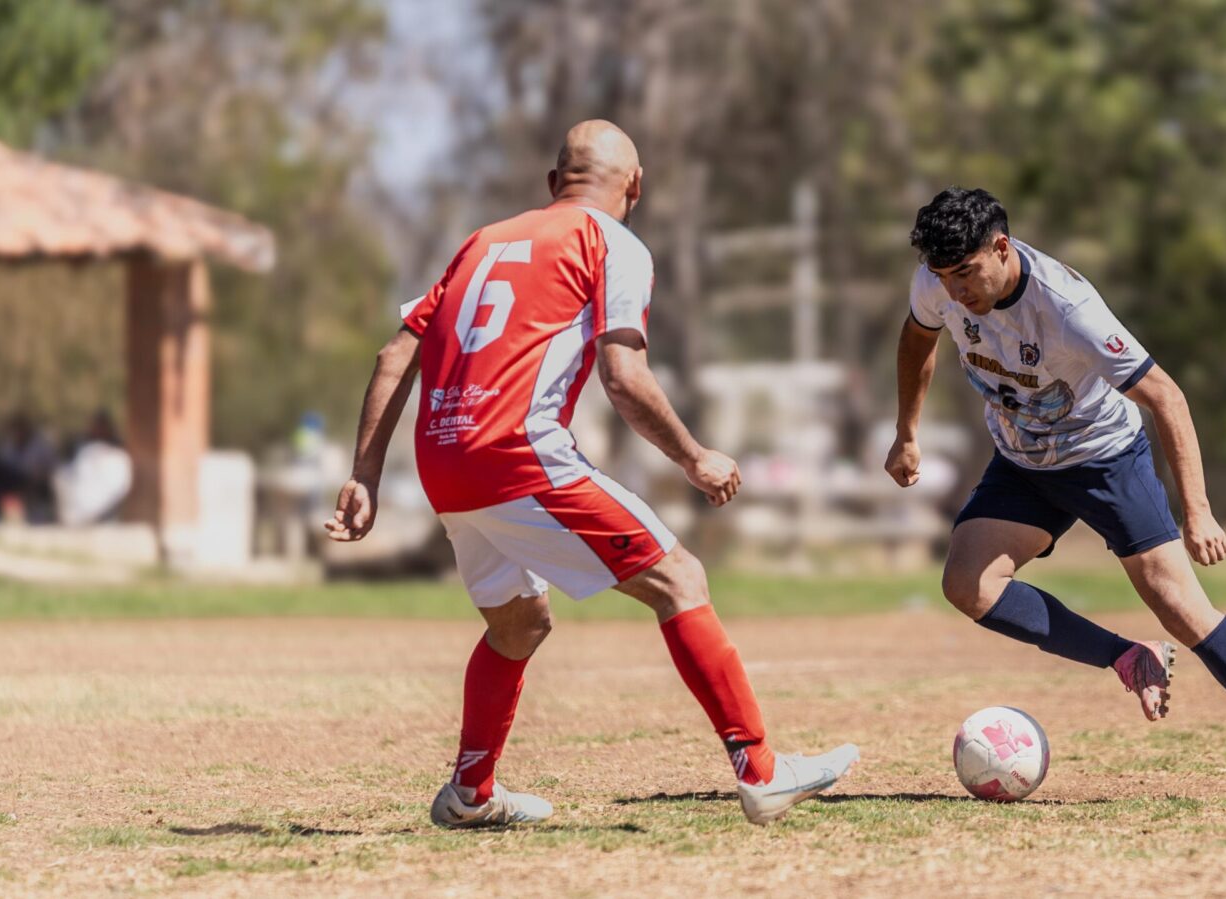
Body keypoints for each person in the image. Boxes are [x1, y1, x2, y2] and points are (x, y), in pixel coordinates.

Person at [326, 120, 857, 828]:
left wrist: (364, 470)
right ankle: (761, 770)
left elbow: (397, 354)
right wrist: (696, 455)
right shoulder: (613, 243)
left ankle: (470, 794)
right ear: (634, 187)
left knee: (518, 624)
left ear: (553, 184)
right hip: (517, 453)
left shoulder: (480, 242)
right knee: (680, 579)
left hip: (443, 462)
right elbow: (623, 375)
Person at [885, 187, 1226, 803]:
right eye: (943, 277)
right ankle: (1126, 657)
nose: (956, 292)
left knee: (1180, 607)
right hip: (1023, 460)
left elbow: (1167, 398)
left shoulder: (1068, 308)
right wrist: (906, 433)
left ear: (1001, 246)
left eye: (966, 273)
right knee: (968, 585)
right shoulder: (936, 285)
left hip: (1104, 458)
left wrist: (1197, 510)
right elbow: (918, 341)